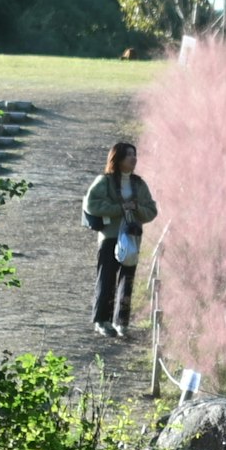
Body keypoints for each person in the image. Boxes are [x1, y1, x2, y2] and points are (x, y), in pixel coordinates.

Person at [80, 141, 156, 340]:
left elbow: (151, 211)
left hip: (131, 238)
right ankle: (101, 321)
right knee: (106, 279)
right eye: (129, 155)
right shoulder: (104, 181)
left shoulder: (139, 184)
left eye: (134, 155)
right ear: (118, 158)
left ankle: (121, 323)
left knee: (127, 280)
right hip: (110, 237)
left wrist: (136, 208)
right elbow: (91, 204)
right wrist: (120, 209)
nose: (134, 158)